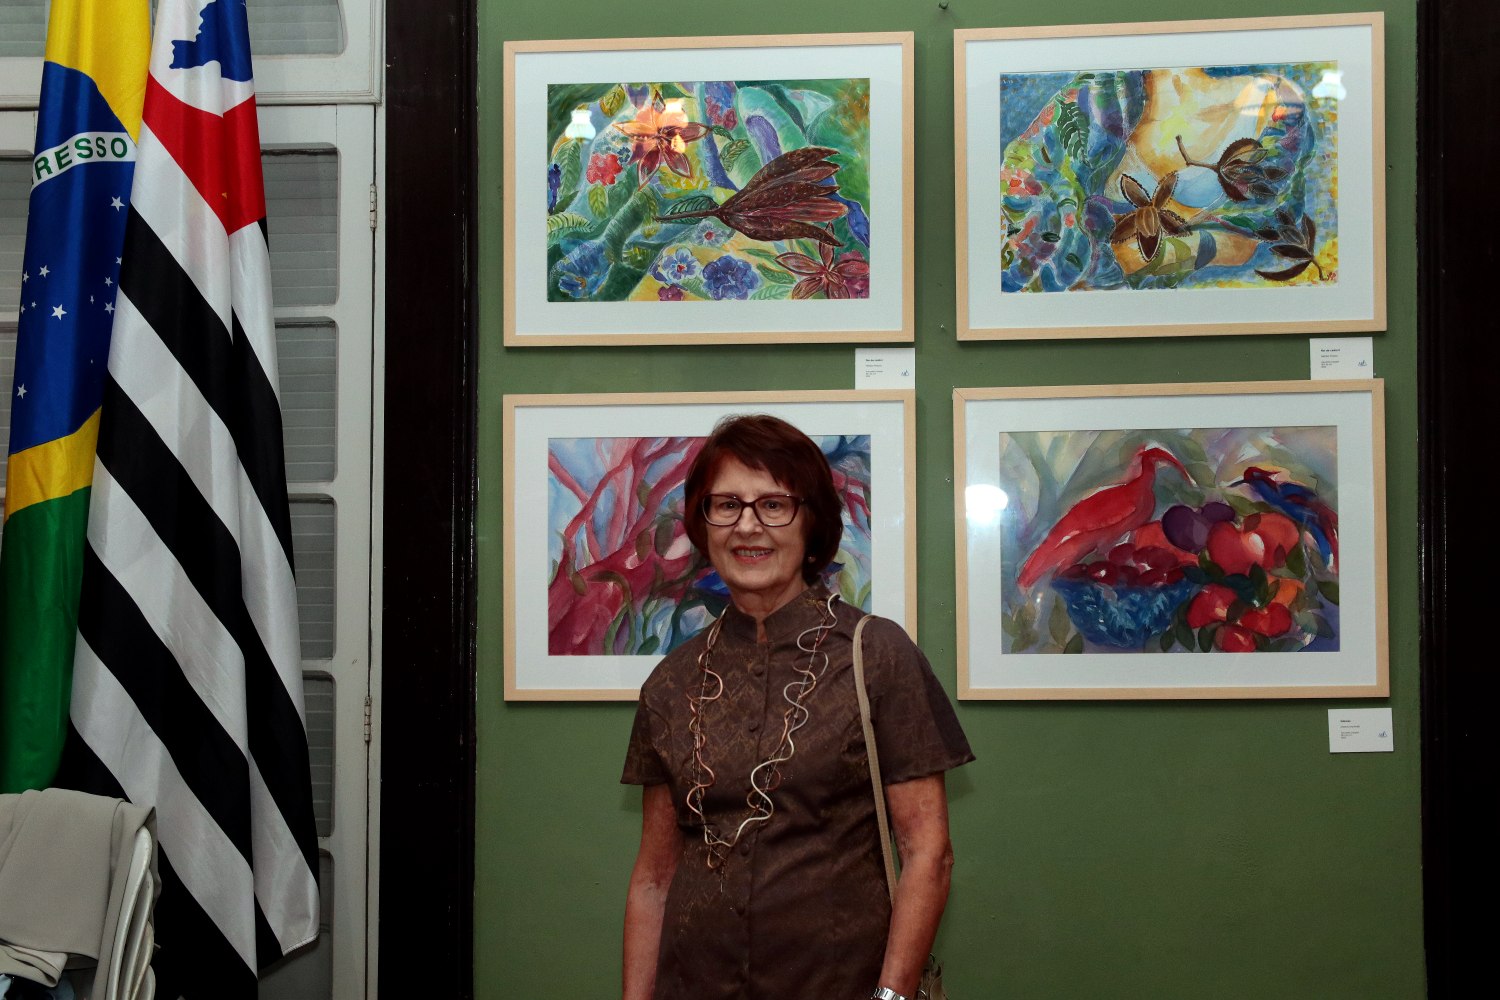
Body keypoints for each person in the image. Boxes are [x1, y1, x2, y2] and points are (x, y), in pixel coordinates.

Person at [621, 414, 974, 1000]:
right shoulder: (670, 683)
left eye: (773, 505)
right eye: (726, 505)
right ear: (702, 525)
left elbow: (927, 853)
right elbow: (654, 879)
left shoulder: (877, 654)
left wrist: (891, 997)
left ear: (812, 522)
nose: (747, 526)